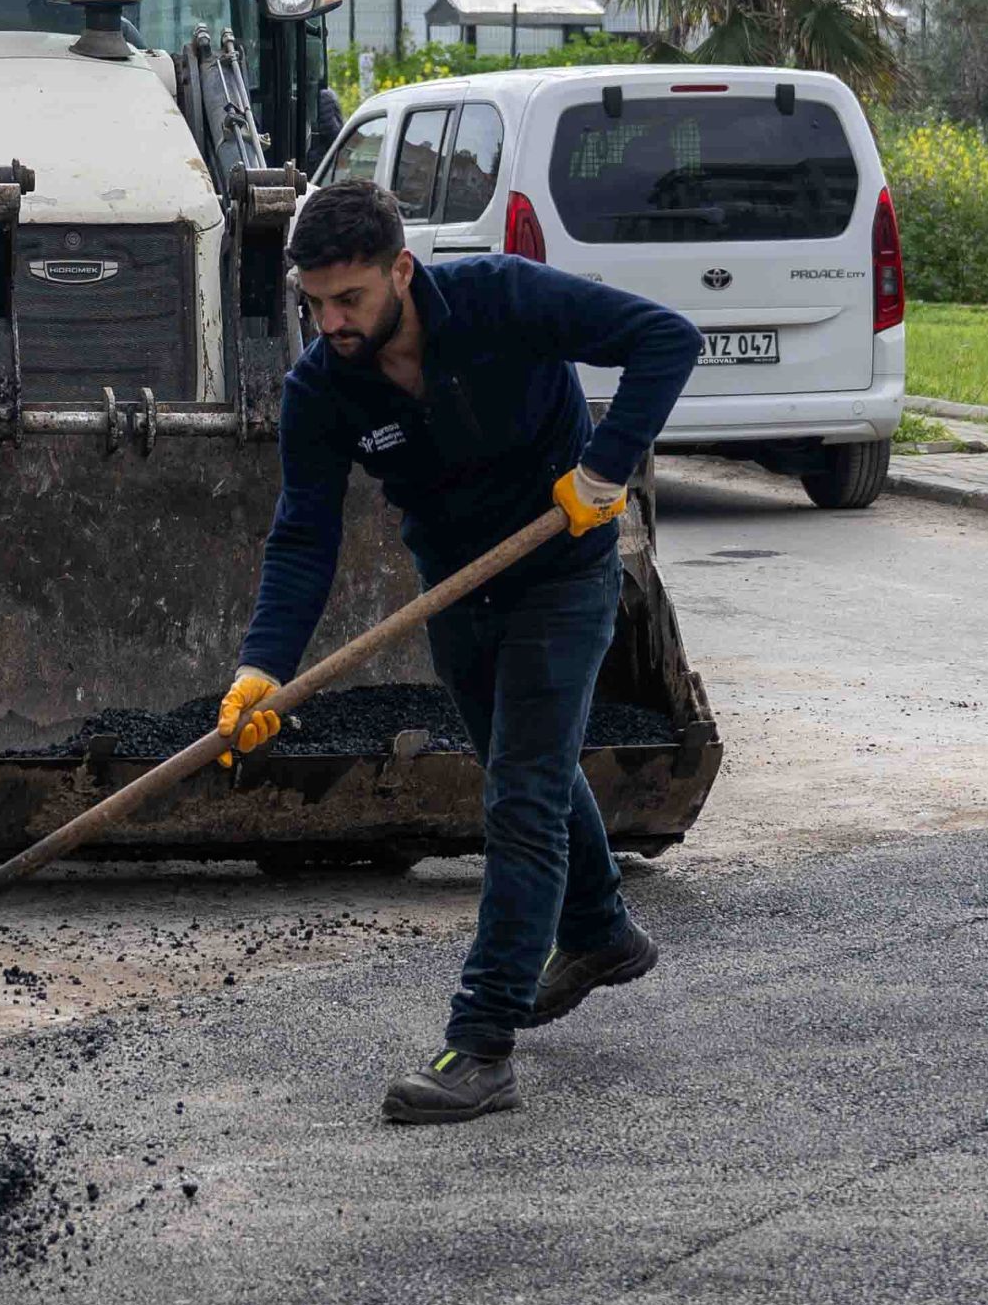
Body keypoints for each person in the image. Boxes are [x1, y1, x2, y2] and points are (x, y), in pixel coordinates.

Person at [229, 182, 697, 1126]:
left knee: (520, 792)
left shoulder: (501, 298)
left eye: (349, 298)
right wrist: (262, 668)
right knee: (527, 767)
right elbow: (303, 535)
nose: (331, 322)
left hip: (562, 569)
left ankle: (479, 1046)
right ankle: (600, 932)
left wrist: (603, 469)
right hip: (457, 586)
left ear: (401, 269)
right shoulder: (321, 386)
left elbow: (666, 339)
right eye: (313, 303)